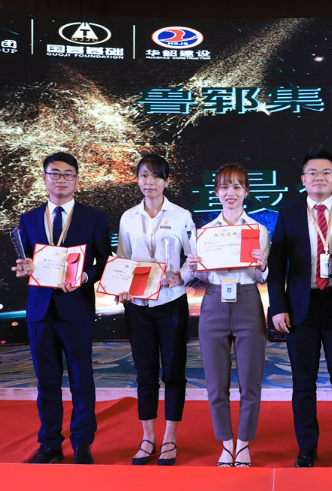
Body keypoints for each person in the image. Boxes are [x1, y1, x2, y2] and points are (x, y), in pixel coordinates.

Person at [267, 144, 332, 468]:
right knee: (303, 383)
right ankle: (307, 447)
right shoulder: (289, 214)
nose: (319, 177)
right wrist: (277, 307)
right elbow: (276, 267)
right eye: (313, 172)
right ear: (303, 179)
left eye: (326, 172)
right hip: (300, 309)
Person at [11, 152, 111, 464]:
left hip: (76, 307)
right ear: (44, 178)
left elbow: (104, 261)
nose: (61, 179)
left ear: (77, 180)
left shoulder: (93, 218)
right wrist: (23, 268)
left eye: (68, 174)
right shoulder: (28, 219)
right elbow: (26, 260)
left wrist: (84, 277)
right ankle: (50, 443)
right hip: (39, 310)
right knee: (47, 381)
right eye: (55, 173)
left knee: (82, 379)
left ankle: (82, 443)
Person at [186, 163, 269, 467]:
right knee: (215, 382)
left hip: (247, 301)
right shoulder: (205, 233)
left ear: (246, 191)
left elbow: (261, 277)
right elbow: (200, 277)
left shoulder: (258, 230)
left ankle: (244, 443)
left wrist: (262, 265)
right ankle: (226, 443)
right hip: (214, 302)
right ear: (216, 192)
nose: (230, 192)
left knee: (250, 380)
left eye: (236, 186)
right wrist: (194, 268)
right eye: (224, 187)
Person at [115, 154, 194, 466]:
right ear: (137, 180)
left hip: (171, 301)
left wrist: (181, 276)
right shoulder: (128, 217)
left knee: (173, 371)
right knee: (145, 373)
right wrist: (121, 285)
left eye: (156, 176)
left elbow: (194, 258)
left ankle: (170, 436)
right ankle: (148, 437)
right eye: (143, 176)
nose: (149, 182)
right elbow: (122, 258)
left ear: (166, 181)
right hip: (138, 305)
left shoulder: (181, 215)